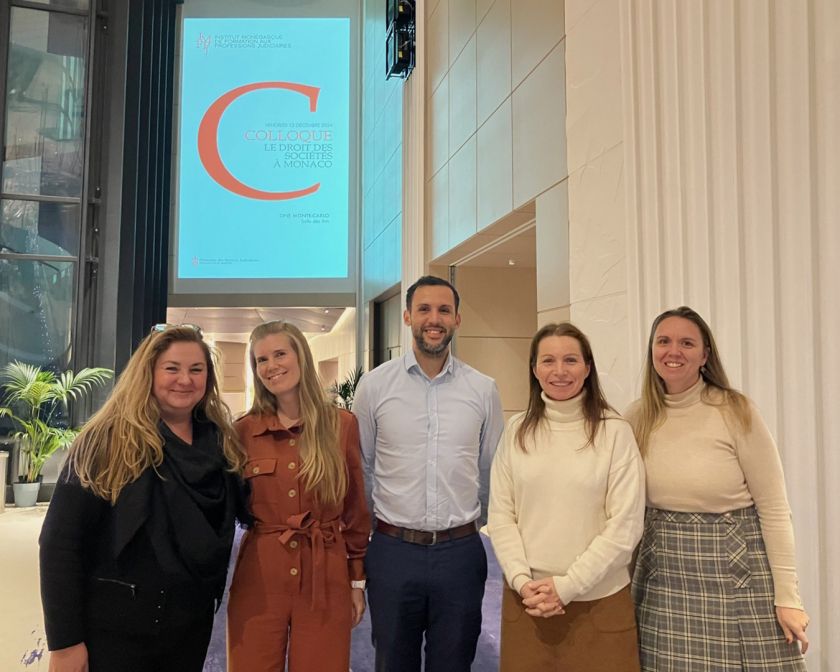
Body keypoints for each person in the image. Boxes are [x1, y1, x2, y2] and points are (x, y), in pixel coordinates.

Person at [40, 324, 247, 672]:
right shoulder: (106, 441)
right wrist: (65, 643)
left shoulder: (220, 444)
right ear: (147, 373)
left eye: (196, 369)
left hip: (190, 628)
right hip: (116, 631)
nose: (185, 380)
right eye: (172, 368)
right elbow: (60, 543)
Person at [627, 306, 810, 671]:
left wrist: (789, 598)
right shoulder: (635, 417)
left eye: (687, 343)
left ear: (704, 355)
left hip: (737, 571)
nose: (673, 351)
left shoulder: (735, 410)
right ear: (652, 351)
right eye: (663, 341)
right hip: (663, 576)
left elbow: (774, 508)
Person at [353, 275, 504, 672]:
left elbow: (491, 470)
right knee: (392, 661)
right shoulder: (373, 387)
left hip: (460, 553)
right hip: (393, 552)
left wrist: (468, 525)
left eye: (443, 310)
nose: (433, 319)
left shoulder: (483, 389)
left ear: (457, 319)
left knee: (455, 662)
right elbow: (363, 466)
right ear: (407, 317)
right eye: (424, 309)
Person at [487, 322, 645, 671]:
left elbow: (626, 526)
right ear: (534, 369)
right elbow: (501, 515)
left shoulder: (615, 432)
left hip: (599, 605)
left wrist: (568, 586)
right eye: (548, 361)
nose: (559, 371)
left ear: (588, 368)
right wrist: (521, 581)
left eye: (570, 360)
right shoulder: (516, 431)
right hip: (527, 603)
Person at [227, 320, 370, 671]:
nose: (271, 366)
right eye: (261, 360)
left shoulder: (341, 425)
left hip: (326, 572)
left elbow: (355, 511)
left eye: (280, 354)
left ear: (301, 356)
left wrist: (356, 581)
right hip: (261, 574)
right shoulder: (243, 431)